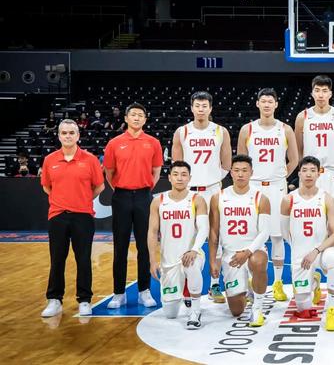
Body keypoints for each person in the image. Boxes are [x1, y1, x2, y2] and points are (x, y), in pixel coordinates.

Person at [237, 88, 298, 302]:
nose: (266, 105)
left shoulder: (285, 129)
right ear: (257, 104)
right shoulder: (247, 129)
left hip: (276, 186)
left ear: (276, 104)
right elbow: (241, 162)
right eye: (263, 101)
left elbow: (294, 160)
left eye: (270, 101)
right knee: (251, 235)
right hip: (254, 186)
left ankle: (278, 283)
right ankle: (250, 284)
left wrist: (279, 176)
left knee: (277, 235)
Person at [40, 119, 105, 317]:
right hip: (58, 216)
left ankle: (84, 300)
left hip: (83, 216)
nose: (68, 136)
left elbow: (99, 186)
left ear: (78, 135)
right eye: (64, 133)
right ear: (59, 135)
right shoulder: (50, 160)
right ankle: (54, 299)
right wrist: (61, 201)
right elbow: (46, 186)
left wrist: (82, 199)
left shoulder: (90, 159)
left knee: (83, 259)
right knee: (57, 259)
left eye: (71, 133)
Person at [172, 91, 231, 304]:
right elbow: (177, 166)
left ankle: (215, 285)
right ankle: (187, 286)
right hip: (190, 192)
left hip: (213, 189)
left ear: (210, 108)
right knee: (188, 238)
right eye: (197, 105)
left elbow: (227, 164)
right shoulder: (182, 132)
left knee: (216, 237)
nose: (201, 109)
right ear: (191, 108)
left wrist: (211, 180)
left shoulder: (220, 131)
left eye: (204, 106)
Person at [294, 75, 334, 298]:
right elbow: (299, 148)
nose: (321, 94)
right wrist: (307, 170)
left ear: (330, 93)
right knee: (309, 225)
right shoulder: (303, 116)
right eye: (317, 90)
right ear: (312, 92)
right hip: (310, 175)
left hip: (332, 175)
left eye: (325, 90)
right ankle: (313, 274)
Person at [104, 103, 163, 309]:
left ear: (145, 119)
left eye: (140, 115)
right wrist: (122, 189)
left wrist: (143, 189)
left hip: (144, 197)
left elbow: (156, 171)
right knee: (120, 245)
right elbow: (109, 173)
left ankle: (144, 291)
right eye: (133, 115)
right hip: (121, 196)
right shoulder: (114, 143)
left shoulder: (153, 142)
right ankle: (118, 293)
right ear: (126, 118)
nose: (137, 118)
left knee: (144, 246)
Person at [280, 156, 334, 331]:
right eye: (305, 170)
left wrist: (316, 250)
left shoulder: (326, 198)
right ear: (299, 173)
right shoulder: (288, 200)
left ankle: (331, 311)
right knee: (304, 310)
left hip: (321, 251)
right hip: (301, 256)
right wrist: (298, 249)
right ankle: (314, 282)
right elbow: (285, 232)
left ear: (318, 173)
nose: (308, 174)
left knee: (333, 259)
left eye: (313, 170)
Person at [208, 155, 270, 326]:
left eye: (244, 170)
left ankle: (257, 308)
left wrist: (247, 252)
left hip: (253, 250)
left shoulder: (261, 198)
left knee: (258, 261)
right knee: (236, 311)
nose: (240, 174)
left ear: (251, 173)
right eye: (236, 170)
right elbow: (214, 232)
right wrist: (212, 260)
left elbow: (265, 232)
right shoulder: (218, 197)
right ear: (231, 173)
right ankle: (247, 288)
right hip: (231, 255)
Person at [147, 161, 208, 329]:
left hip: (192, 254)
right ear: (169, 178)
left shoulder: (197, 199)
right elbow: (152, 232)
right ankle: (185, 292)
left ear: (189, 178)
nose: (179, 178)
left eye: (184, 175)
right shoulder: (158, 201)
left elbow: (204, 228)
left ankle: (195, 311)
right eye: (175, 174)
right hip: (169, 260)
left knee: (191, 264)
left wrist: (194, 250)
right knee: (170, 313)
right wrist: (152, 260)